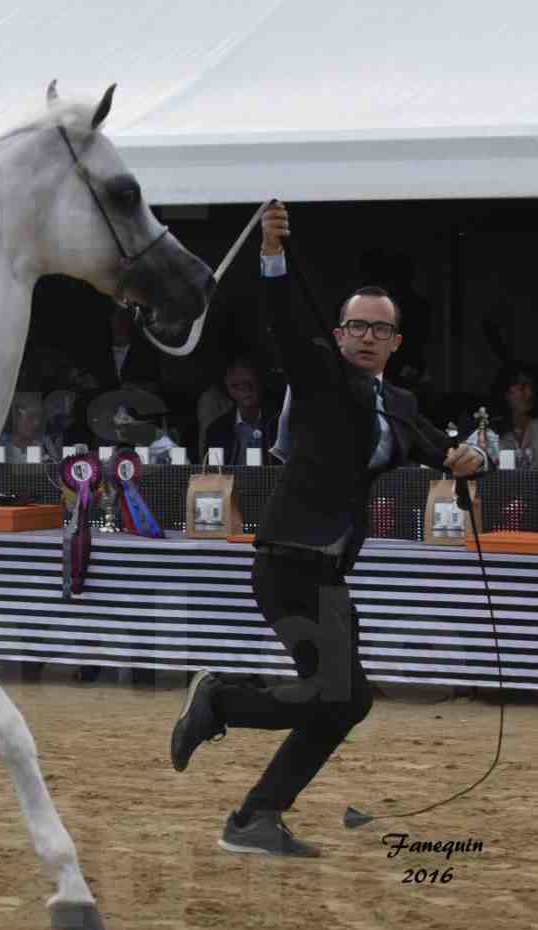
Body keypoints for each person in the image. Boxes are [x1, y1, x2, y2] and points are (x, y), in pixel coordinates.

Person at [170, 200, 489, 857]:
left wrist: (469, 459)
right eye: (355, 326)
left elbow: (444, 451)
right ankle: (221, 702)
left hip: (324, 570)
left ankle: (254, 817)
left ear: (395, 341)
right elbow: (287, 316)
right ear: (339, 334)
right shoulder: (320, 378)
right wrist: (272, 253)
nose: (366, 336)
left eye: (379, 329)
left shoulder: (397, 407)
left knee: (344, 701)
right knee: (339, 694)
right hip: (287, 561)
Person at [202, 356, 280, 463]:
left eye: (249, 384)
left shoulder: (279, 425)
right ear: (227, 387)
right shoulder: (217, 430)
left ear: (261, 382)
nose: (244, 390)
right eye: (236, 385)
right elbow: (213, 474)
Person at [492, 361, 536, 468]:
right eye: (522, 387)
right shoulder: (490, 433)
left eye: (532, 387)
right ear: (506, 393)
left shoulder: (536, 427)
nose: (530, 393)